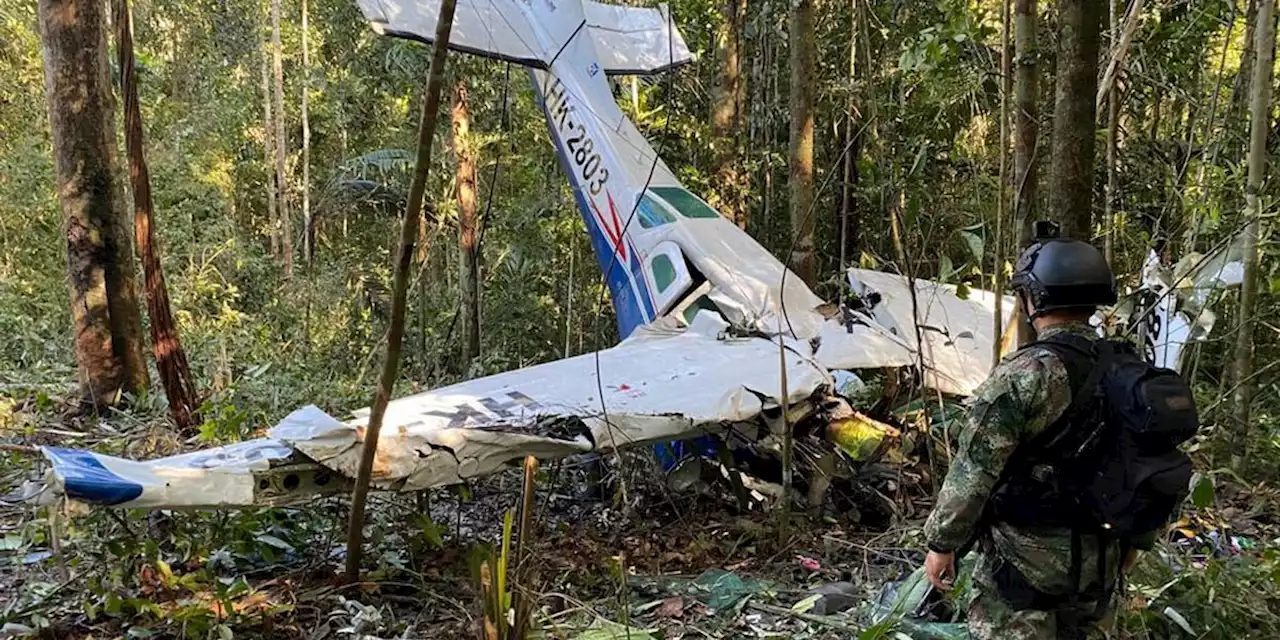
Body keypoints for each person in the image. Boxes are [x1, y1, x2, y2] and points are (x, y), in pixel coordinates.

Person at [920, 230, 1145, 640]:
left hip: (1024, 574)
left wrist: (942, 543)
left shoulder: (1028, 374)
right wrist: (1136, 543)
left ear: (1034, 299)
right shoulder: (1129, 370)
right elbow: (1155, 462)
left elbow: (973, 471)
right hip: (1102, 567)